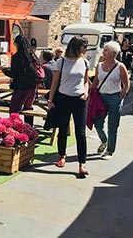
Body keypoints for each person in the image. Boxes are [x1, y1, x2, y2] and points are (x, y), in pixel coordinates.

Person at [48, 36, 89, 177]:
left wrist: (86, 93)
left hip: (79, 99)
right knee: (63, 128)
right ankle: (62, 155)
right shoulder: (61, 62)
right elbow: (54, 82)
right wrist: (50, 100)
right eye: (84, 46)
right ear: (77, 46)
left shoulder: (84, 62)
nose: (86, 49)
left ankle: (82, 163)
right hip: (63, 98)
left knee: (80, 132)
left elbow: (86, 81)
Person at [92, 41, 130, 160]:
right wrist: (92, 94)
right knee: (98, 123)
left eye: (106, 50)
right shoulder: (99, 66)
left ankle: (110, 150)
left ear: (113, 53)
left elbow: (126, 83)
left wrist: (122, 95)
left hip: (115, 97)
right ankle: (105, 141)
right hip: (101, 97)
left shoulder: (120, 66)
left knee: (112, 126)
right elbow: (96, 81)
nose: (103, 52)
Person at [5, 35, 38, 125]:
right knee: (28, 108)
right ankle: (29, 129)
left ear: (17, 44)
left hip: (20, 87)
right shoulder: (31, 56)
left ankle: (15, 129)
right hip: (32, 87)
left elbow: (13, 73)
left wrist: (4, 71)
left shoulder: (16, 57)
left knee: (14, 111)